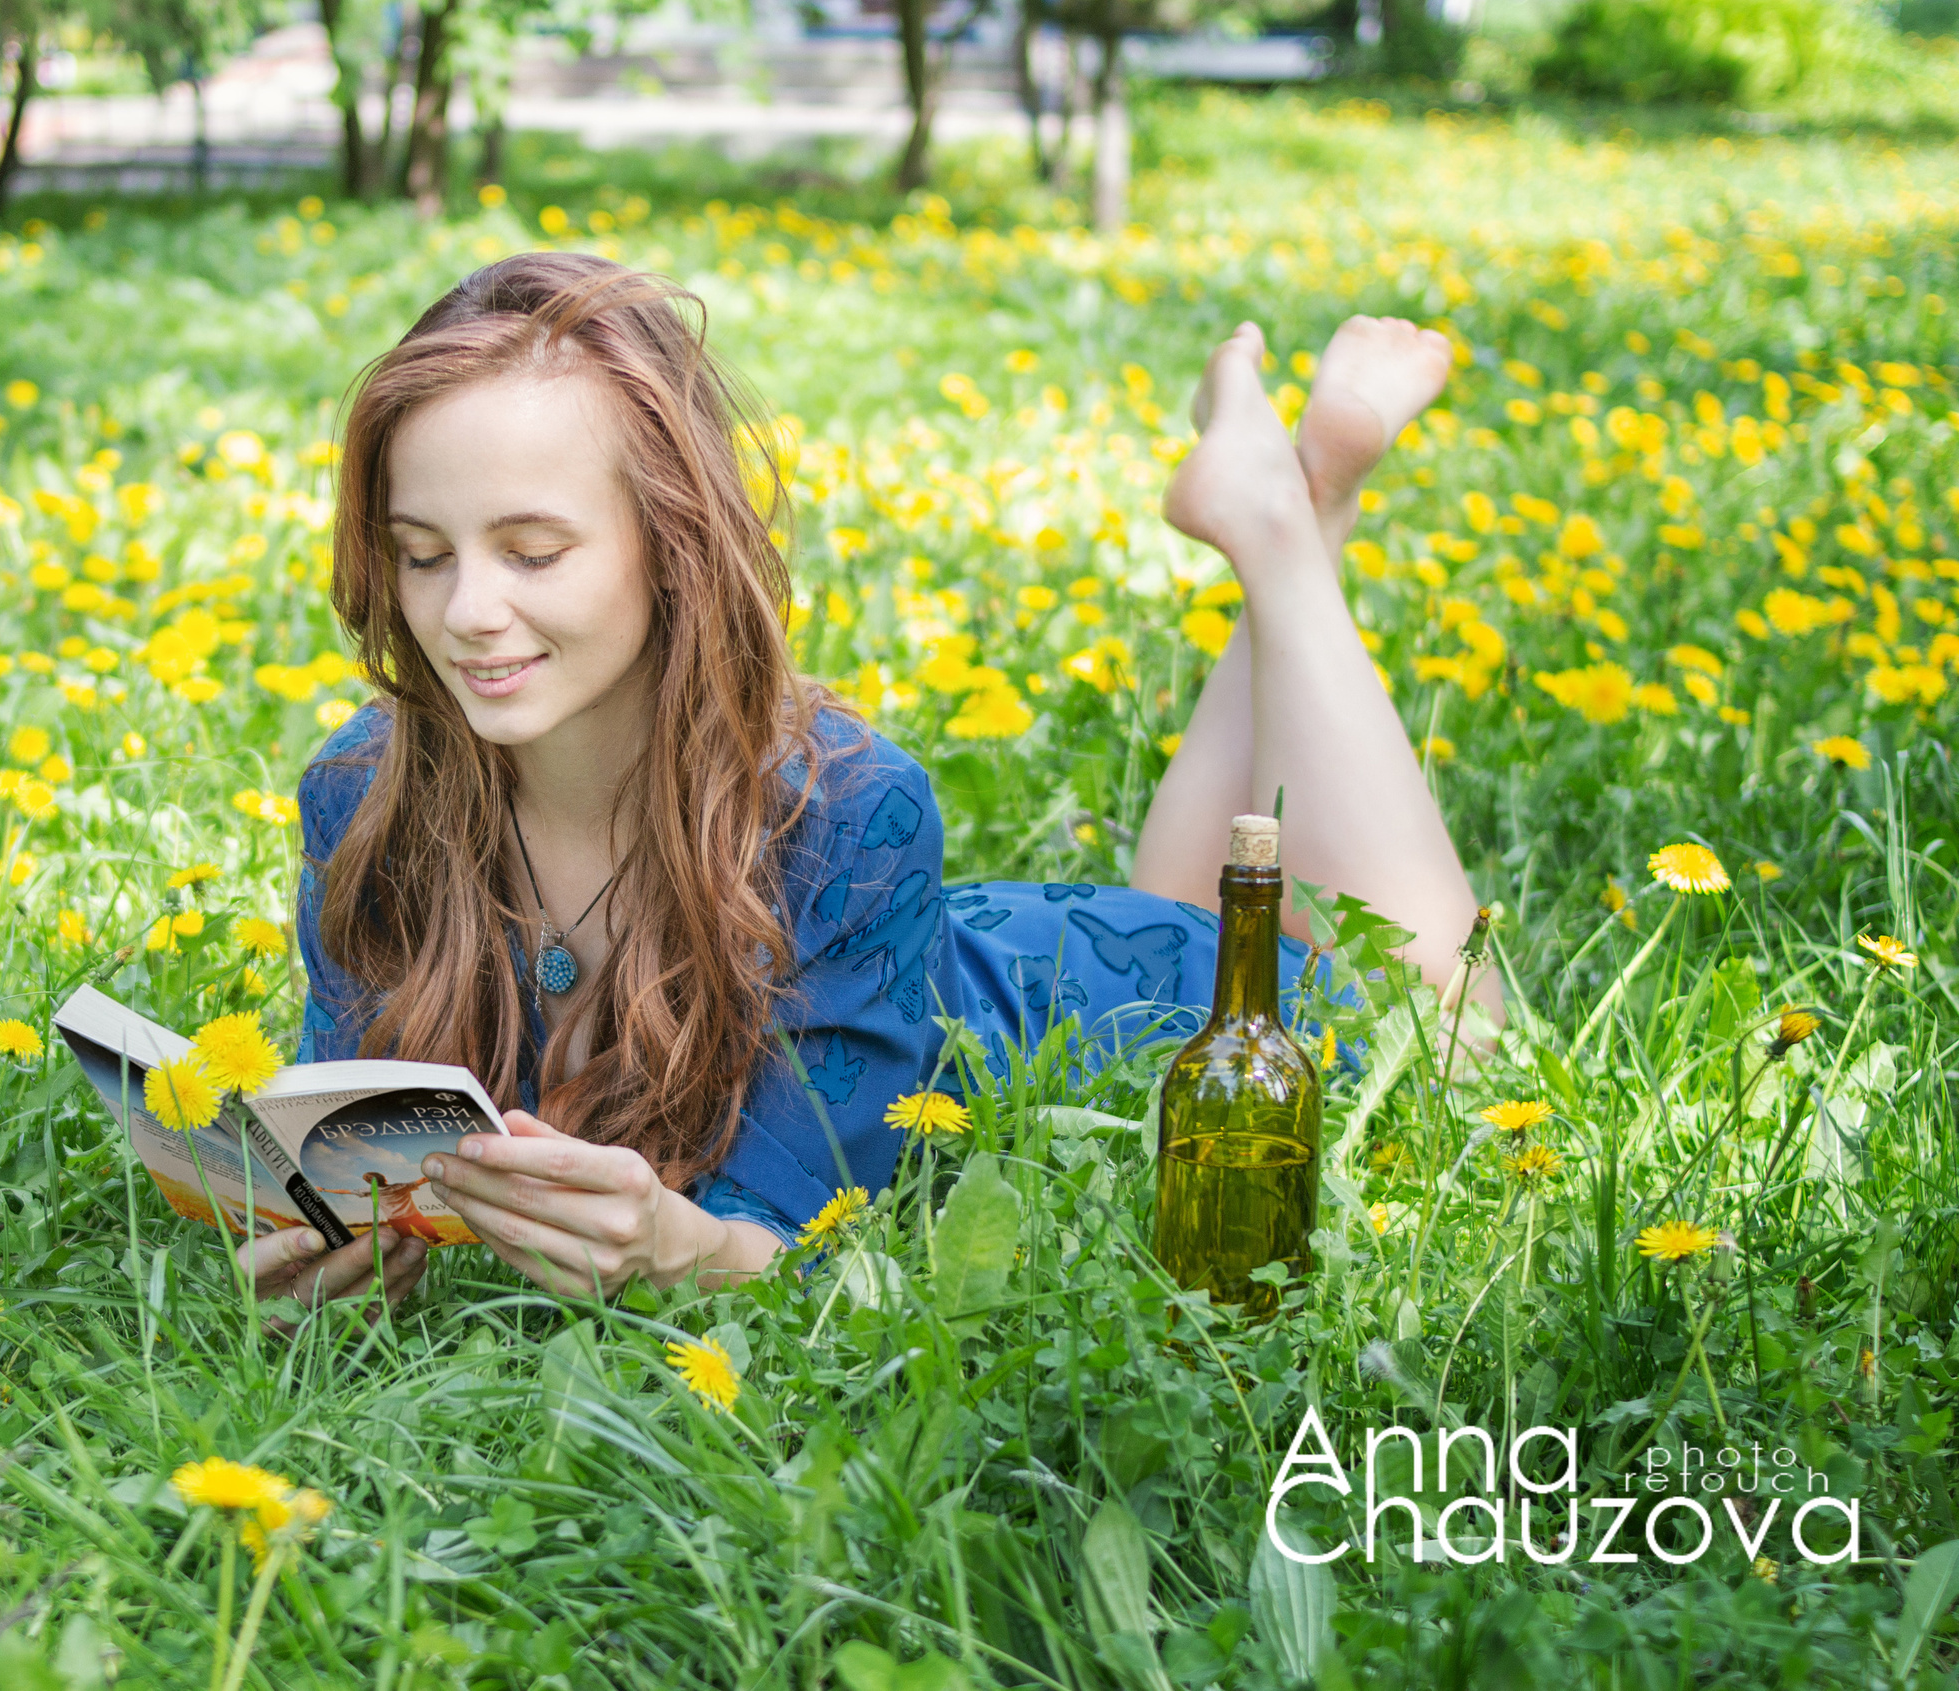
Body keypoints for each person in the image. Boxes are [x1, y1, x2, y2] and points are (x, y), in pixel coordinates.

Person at [239, 251, 1493, 1317]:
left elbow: (795, 1230)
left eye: (533, 550)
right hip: (978, 961)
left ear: (670, 543)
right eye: (421, 553)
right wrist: (340, 1234)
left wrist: (673, 1248)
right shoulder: (366, 798)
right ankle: (1301, 489)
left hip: (1139, 1008)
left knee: (1447, 1032)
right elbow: (343, 1125)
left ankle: (1280, 527)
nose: (466, 612)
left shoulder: (843, 807)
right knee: (1200, 892)